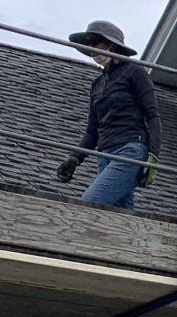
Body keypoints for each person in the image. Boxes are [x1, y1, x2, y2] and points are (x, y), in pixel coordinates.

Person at [55, 20, 161, 210]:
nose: (91, 48)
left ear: (112, 45)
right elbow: (92, 132)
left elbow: (153, 115)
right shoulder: (97, 84)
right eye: (89, 44)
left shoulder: (135, 72)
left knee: (89, 205)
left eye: (96, 42)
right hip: (104, 155)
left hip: (131, 150)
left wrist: (153, 157)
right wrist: (74, 159)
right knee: (120, 216)